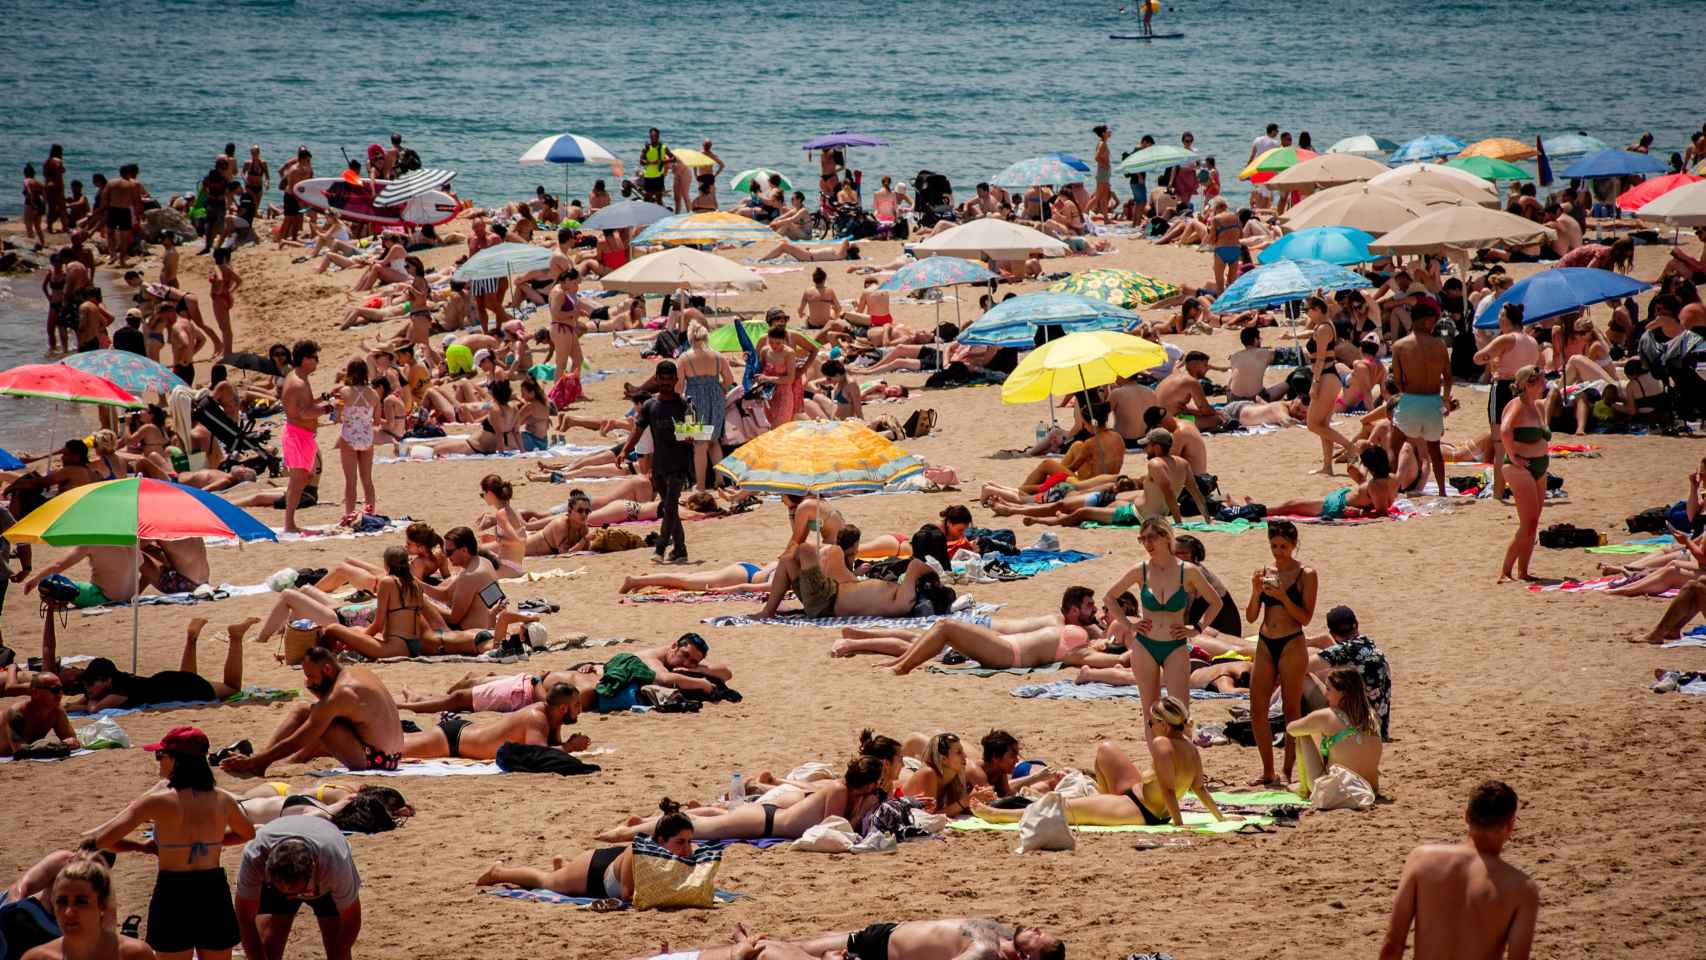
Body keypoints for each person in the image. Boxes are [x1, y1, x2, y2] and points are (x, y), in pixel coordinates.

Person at [85, 725, 253, 960]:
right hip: (212, 889)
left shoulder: (157, 801)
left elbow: (103, 840)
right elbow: (247, 834)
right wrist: (213, 842)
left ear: (175, 760)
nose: (158, 761)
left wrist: (141, 847)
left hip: (174, 889)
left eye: (160, 755)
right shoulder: (222, 799)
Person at [976, 696, 1225, 829]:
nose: (1150, 727)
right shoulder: (1191, 748)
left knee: (1063, 807)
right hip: (1138, 797)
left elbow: (1170, 791)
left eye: (1151, 722)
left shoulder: (1163, 744)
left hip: (1141, 811)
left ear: (1164, 723)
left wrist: (1179, 825)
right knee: (1106, 749)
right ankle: (1098, 797)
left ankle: (997, 815)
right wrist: (1220, 819)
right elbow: (1199, 788)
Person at [1379, 781, 1539, 960]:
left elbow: (1392, 946)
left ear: (1465, 817)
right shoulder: (1521, 888)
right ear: (1511, 825)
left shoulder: (1422, 860)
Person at [596, 757, 886, 843]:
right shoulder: (838, 790)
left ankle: (642, 824)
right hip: (766, 822)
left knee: (706, 820)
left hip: (768, 818)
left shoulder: (841, 789)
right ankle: (625, 833)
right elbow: (832, 827)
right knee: (697, 827)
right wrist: (860, 812)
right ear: (870, 783)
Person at [1103, 517, 1221, 721]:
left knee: (1180, 713)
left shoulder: (1188, 571)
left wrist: (1197, 629)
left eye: (1151, 538)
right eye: (1143, 539)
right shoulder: (1141, 570)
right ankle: (1157, 753)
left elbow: (1216, 602)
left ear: (1166, 537)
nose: (1147, 544)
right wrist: (1129, 625)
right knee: (1151, 713)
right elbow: (1110, 597)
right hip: (1144, 645)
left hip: (1175, 645)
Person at [220, 645, 403, 775]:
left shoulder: (342, 692)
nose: (309, 682)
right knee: (309, 711)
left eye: (311, 676)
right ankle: (261, 760)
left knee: (308, 715)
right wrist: (316, 688)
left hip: (375, 761)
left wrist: (256, 760)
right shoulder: (359, 673)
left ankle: (259, 762)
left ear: (327, 669)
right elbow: (331, 709)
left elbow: (301, 738)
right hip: (393, 757)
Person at [476, 800, 693, 902]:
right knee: (546, 881)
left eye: (689, 842)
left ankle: (563, 868)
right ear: (661, 840)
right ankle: (499, 873)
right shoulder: (638, 852)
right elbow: (627, 895)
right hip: (593, 872)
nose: (687, 849)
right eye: (680, 842)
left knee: (560, 877)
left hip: (611, 864)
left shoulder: (682, 853)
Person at [875, 586, 1105, 674]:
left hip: (1007, 652)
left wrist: (1105, 636)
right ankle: (900, 664)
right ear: (1073, 611)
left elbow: (1111, 655)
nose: (1095, 611)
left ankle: (900, 667)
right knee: (941, 627)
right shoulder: (1066, 629)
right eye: (1090, 606)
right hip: (1002, 644)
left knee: (944, 627)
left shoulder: (1077, 640)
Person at [1244, 519, 1317, 787]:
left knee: (1291, 709)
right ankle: (1268, 770)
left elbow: (1305, 617)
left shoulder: (1306, 574)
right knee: (1257, 709)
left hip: (1292, 642)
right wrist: (1255, 591)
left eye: (1283, 546)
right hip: (1265, 641)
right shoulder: (1264, 572)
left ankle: (1287, 769)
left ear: (1294, 545)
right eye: (1274, 546)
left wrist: (1284, 596)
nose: (1278, 552)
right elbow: (1251, 617)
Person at [233, 817, 362, 960]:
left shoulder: (335, 865)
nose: (289, 898)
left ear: (313, 868)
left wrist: (341, 952)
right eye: (282, 891)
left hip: (325, 882)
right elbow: (244, 918)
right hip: (277, 878)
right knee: (266, 949)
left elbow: (351, 919)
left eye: (300, 891)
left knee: (337, 949)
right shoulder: (255, 857)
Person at [68, 618, 256, 712]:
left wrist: (87, 703)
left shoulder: (119, 691)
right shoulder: (115, 685)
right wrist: (85, 699)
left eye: (91, 684)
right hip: (168, 683)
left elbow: (93, 709)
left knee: (232, 688)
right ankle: (192, 639)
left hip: (172, 688)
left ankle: (235, 638)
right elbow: (75, 705)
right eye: (86, 686)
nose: (88, 689)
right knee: (188, 679)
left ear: (108, 681)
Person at [20, 852, 156, 960]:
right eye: (62, 901)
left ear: (102, 904)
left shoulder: (133, 954)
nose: (69, 912)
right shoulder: (38, 957)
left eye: (81, 902)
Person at [620, 360, 692, 563]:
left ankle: (660, 549)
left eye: (671, 379)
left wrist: (690, 436)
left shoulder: (684, 405)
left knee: (669, 507)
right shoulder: (650, 405)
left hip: (679, 466)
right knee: (671, 508)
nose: (667, 382)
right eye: (663, 379)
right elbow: (638, 430)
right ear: (657, 379)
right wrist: (625, 450)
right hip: (658, 466)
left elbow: (692, 433)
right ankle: (680, 549)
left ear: (676, 380)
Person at [402, 683, 589, 760]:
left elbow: (553, 746)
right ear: (563, 708)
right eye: (577, 705)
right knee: (393, 748)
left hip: (464, 734)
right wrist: (570, 747)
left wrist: (567, 744)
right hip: (453, 740)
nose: (580, 709)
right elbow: (537, 753)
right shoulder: (536, 718)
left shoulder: (554, 718)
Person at [1473, 303, 1540, 500]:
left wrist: (1491, 352)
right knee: (1521, 440)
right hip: (1525, 389)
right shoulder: (1531, 341)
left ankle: (1498, 492)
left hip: (1503, 388)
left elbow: (1478, 358)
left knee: (1500, 443)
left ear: (1505, 319)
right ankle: (1526, 487)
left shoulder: (1506, 339)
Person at [1286, 665, 1383, 802]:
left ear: (1342, 693)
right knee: (1333, 740)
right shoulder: (1371, 717)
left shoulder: (1327, 716)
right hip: (1371, 788)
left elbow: (1291, 729)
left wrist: (1313, 724)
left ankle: (1304, 790)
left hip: (1339, 793)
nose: (1325, 694)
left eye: (1329, 689)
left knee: (1303, 734)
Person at [1389, 300, 1452, 496]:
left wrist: (1407, 390)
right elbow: (1449, 377)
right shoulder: (1439, 345)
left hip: (1411, 399)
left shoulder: (1399, 346)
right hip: (1433, 400)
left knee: (1394, 446)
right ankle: (1442, 492)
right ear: (1427, 321)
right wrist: (1445, 399)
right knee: (1435, 451)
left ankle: (1389, 489)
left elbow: (1397, 380)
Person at [1498, 366, 1550, 584]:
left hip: (1540, 467)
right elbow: (1505, 430)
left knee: (1534, 522)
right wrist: (1513, 455)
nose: (1545, 385)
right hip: (1519, 468)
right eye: (1541, 382)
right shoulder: (1517, 406)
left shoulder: (1538, 406)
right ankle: (1505, 571)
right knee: (1527, 523)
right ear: (1529, 384)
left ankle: (1523, 571)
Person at [1309, 605, 1392, 740]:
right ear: (1357, 625)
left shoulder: (1343, 652)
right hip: (1378, 730)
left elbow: (1300, 667)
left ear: (1333, 633)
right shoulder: (1370, 647)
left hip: (1356, 732)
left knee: (1303, 677)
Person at [1265, 445, 1399, 520]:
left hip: (1336, 506)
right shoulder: (1393, 478)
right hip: (1341, 500)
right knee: (1293, 504)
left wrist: (1359, 514)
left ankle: (1259, 510)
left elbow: (1382, 513)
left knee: (1291, 505)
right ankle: (1263, 509)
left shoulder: (1376, 486)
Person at [677, 324, 734, 491]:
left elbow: (679, 386)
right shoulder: (718, 356)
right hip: (715, 398)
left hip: (695, 400)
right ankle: (719, 480)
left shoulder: (684, 358)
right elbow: (729, 380)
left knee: (699, 445)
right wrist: (718, 389)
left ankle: (701, 485)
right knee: (714, 441)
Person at [279, 340, 321, 534]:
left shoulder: (298, 378)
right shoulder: (298, 382)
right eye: (314, 358)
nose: (317, 362)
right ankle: (289, 524)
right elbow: (303, 413)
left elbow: (306, 406)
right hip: (297, 436)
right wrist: (328, 408)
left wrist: (325, 398)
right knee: (298, 481)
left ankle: (290, 522)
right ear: (305, 359)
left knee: (304, 478)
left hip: (302, 435)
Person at [0, 672, 79, 757]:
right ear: (35, 693)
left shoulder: (56, 710)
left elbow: (73, 741)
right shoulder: (16, 714)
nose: (60, 694)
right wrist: (60, 746)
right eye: (55, 690)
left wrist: (61, 745)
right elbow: (20, 751)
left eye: (61, 689)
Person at [638, 129, 673, 206]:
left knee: (659, 199)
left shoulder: (663, 147)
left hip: (659, 176)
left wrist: (663, 162)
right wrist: (651, 162)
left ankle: (659, 216)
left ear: (658, 136)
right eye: (652, 136)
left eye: (655, 136)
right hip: (649, 177)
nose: (654, 138)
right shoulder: (646, 148)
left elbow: (673, 158)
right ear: (650, 137)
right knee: (647, 199)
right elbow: (641, 162)